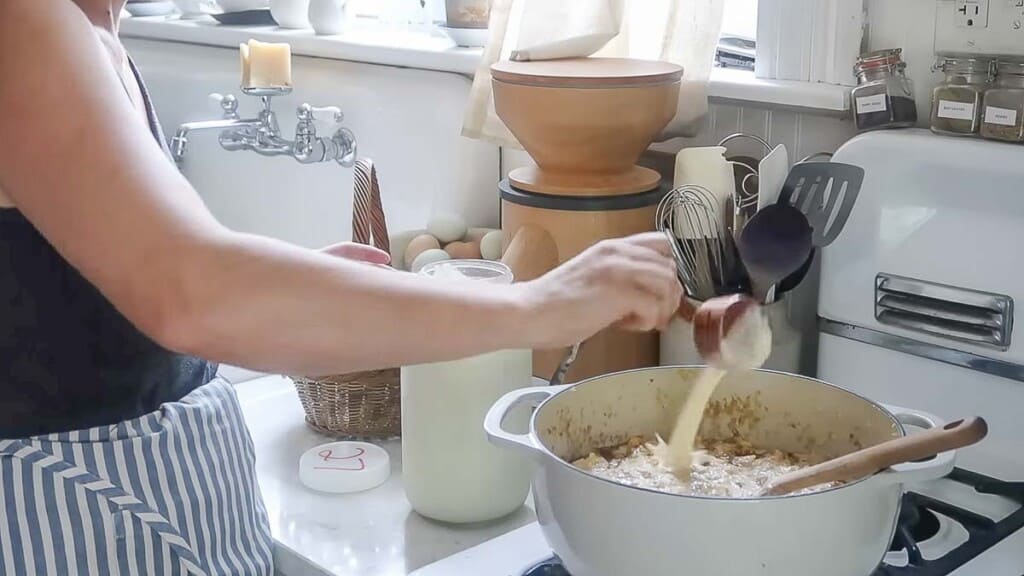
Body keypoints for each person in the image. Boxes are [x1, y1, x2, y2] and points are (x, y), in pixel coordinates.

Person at [0, 1, 683, 574]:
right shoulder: (23, 21)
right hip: (73, 526)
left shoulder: (89, 25)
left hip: (156, 520)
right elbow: (190, 290)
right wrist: (539, 305)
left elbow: (108, 295)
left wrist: (306, 288)